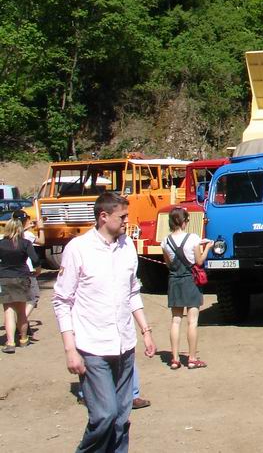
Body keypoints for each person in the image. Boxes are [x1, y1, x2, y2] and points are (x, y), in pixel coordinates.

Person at [53, 192, 157, 452]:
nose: (126, 221)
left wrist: (145, 331)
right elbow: (62, 301)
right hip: (93, 347)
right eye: (122, 217)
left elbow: (132, 292)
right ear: (103, 217)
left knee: (122, 419)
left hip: (124, 347)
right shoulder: (78, 248)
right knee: (105, 416)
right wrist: (70, 349)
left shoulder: (128, 247)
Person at [162, 207, 212, 370]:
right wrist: (207, 248)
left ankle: (175, 359)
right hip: (191, 281)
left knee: (176, 321)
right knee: (192, 322)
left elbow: (169, 264)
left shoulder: (165, 241)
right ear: (184, 222)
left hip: (174, 281)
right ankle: (192, 358)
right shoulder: (193, 238)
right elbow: (198, 261)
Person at [1, 215, 37, 353]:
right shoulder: (25, 243)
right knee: (21, 312)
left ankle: (10, 342)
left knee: (8, 311)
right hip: (22, 276)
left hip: (4, 277)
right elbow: (35, 260)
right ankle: (23, 339)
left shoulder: (1, 244)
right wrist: (37, 271)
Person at [16, 210, 42, 329]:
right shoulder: (28, 235)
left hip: (13, 271)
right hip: (28, 270)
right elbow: (42, 242)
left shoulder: (9, 235)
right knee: (34, 297)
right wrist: (41, 228)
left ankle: (19, 322)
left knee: (17, 301)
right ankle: (21, 322)